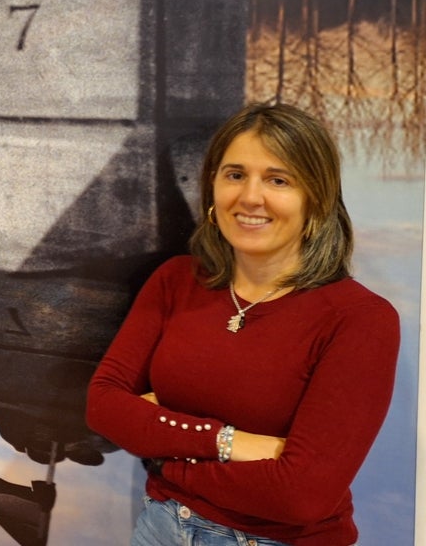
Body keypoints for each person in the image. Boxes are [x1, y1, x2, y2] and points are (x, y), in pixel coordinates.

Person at [86, 102, 399, 546]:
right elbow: (103, 406)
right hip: (160, 529)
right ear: (212, 185)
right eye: (235, 175)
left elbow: (301, 497)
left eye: (278, 179)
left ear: (317, 197)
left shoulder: (360, 319)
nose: (250, 198)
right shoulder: (176, 280)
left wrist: (164, 454)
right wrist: (227, 442)